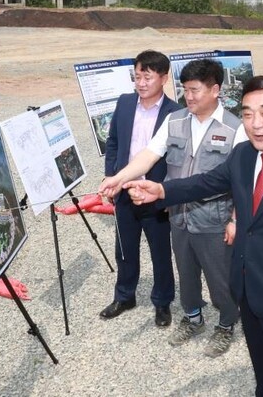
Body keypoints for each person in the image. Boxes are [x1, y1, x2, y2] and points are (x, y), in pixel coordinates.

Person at [123, 76, 263, 396]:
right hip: (245, 286)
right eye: (248, 114)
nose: (256, 124)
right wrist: (161, 190)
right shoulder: (242, 155)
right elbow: (205, 183)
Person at [100, 59, 245, 358]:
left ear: (215, 90)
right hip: (179, 217)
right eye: (185, 90)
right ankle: (192, 317)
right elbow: (148, 156)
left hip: (215, 220)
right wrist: (118, 178)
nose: (188, 97)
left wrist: (236, 219)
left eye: (194, 90)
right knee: (186, 275)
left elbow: (244, 184)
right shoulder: (175, 121)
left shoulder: (235, 129)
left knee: (220, 278)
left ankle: (226, 324)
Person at [98, 50, 178, 328]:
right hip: (123, 192)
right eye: (137, 76)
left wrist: (166, 191)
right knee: (124, 249)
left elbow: (177, 161)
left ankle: (163, 302)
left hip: (154, 195)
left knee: (160, 252)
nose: (141, 83)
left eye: (148, 77)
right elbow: (113, 143)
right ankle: (125, 295)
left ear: (164, 78)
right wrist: (112, 178)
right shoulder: (124, 102)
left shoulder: (175, 113)